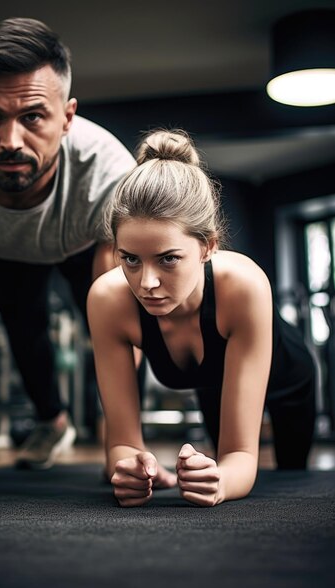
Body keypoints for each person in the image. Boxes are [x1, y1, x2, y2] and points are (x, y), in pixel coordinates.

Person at [0, 17, 136, 483]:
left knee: (108, 319)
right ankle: (52, 421)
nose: (10, 141)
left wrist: (124, 448)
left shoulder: (106, 172)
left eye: (33, 117)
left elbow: (118, 328)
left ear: (68, 118)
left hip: (82, 236)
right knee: (24, 329)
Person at [87, 129, 316, 508]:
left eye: (168, 258)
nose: (146, 283)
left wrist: (225, 480)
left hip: (288, 382)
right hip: (214, 382)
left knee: (294, 480)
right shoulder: (107, 300)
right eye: (130, 258)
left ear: (208, 246)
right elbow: (121, 443)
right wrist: (134, 468)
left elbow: (242, 457)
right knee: (208, 471)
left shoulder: (244, 286)